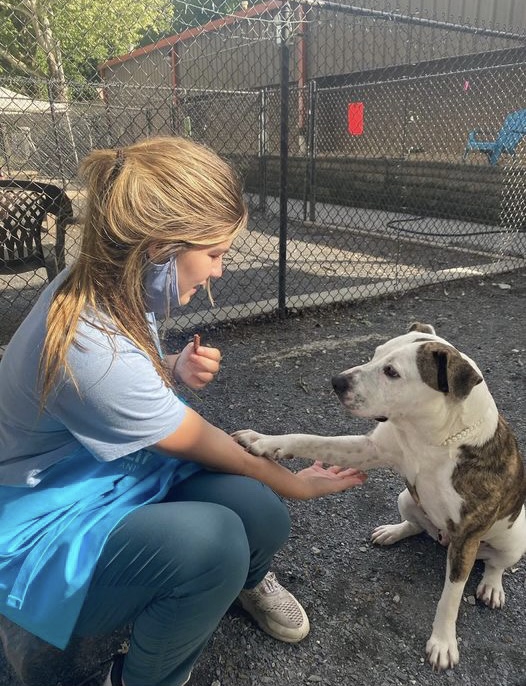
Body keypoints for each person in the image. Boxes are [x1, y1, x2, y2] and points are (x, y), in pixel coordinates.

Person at [0, 136, 367, 686]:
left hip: (105, 475)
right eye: (215, 254)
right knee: (216, 540)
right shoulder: (90, 349)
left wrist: (171, 369)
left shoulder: (117, 285)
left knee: (257, 513)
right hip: (45, 517)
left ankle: (241, 580)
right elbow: (216, 446)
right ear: (159, 246)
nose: (219, 270)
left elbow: (132, 385)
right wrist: (298, 482)